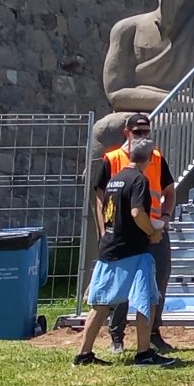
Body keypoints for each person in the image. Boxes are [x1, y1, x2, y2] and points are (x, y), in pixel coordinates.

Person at [73, 155, 176, 367]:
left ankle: (84, 355)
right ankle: (144, 354)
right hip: (135, 251)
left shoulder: (115, 179)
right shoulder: (139, 180)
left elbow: (106, 210)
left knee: (100, 304)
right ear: (148, 158)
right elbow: (137, 212)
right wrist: (152, 233)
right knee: (147, 300)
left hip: (110, 248)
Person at [92, 113, 173, 354]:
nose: (143, 136)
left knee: (157, 284)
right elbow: (100, 200)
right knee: (121, 287)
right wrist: (103, 230)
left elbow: (169, 191)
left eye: (146, 131)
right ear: (127, 132)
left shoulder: (156, 158)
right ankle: (117, 335)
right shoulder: (112, 159)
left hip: (153, 233)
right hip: (124, 235)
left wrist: (164, 221)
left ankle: (152, 334)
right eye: (138, 132)